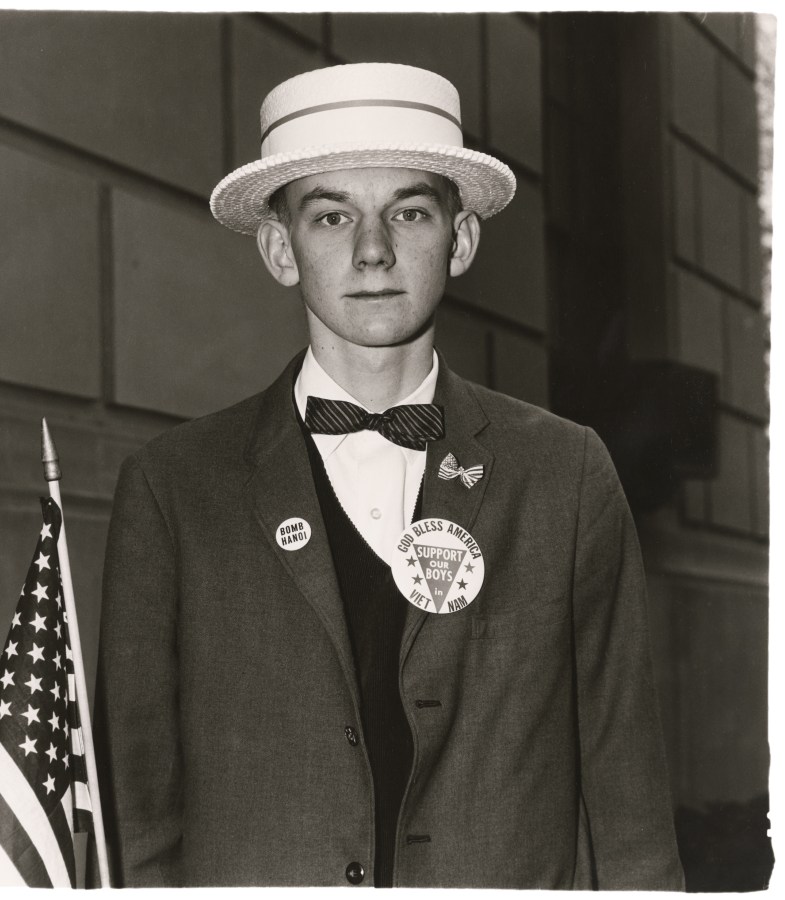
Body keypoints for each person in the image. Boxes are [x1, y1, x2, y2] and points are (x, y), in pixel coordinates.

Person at [92, 62, 684, 889]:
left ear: (460, 239)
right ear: (279, 249)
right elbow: (135, 810)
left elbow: (626, 800)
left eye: (408, 211)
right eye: (330, 216)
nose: (372, 251)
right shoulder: (175, 488)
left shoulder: (564, 473)